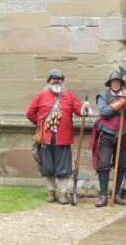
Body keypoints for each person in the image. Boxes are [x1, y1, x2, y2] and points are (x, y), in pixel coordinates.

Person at [26, 69, 90, 204]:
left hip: (63, 137)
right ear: (49, 81)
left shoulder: (70, 96)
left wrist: (85, 108)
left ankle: (63, 193)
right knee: (47, 166)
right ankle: (51, 192)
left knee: (63, 167)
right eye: (53, 78)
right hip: (46, 138)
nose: (56, 80)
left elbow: (79, 111)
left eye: (59, 78)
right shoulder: (41, 96)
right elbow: (30, 113)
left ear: (62, 81)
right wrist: (42, 124)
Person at [90, 70, 126, 207]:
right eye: (113, 82)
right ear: (110, 83)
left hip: (123, 133)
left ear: (121, 83)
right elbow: (104, 113)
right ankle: (103, 195)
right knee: (103, 164)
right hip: (106, 133)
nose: (116, 84)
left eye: (118, 82)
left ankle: (116, 195)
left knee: (122, 165)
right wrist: (120, 103)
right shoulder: (103, 95)